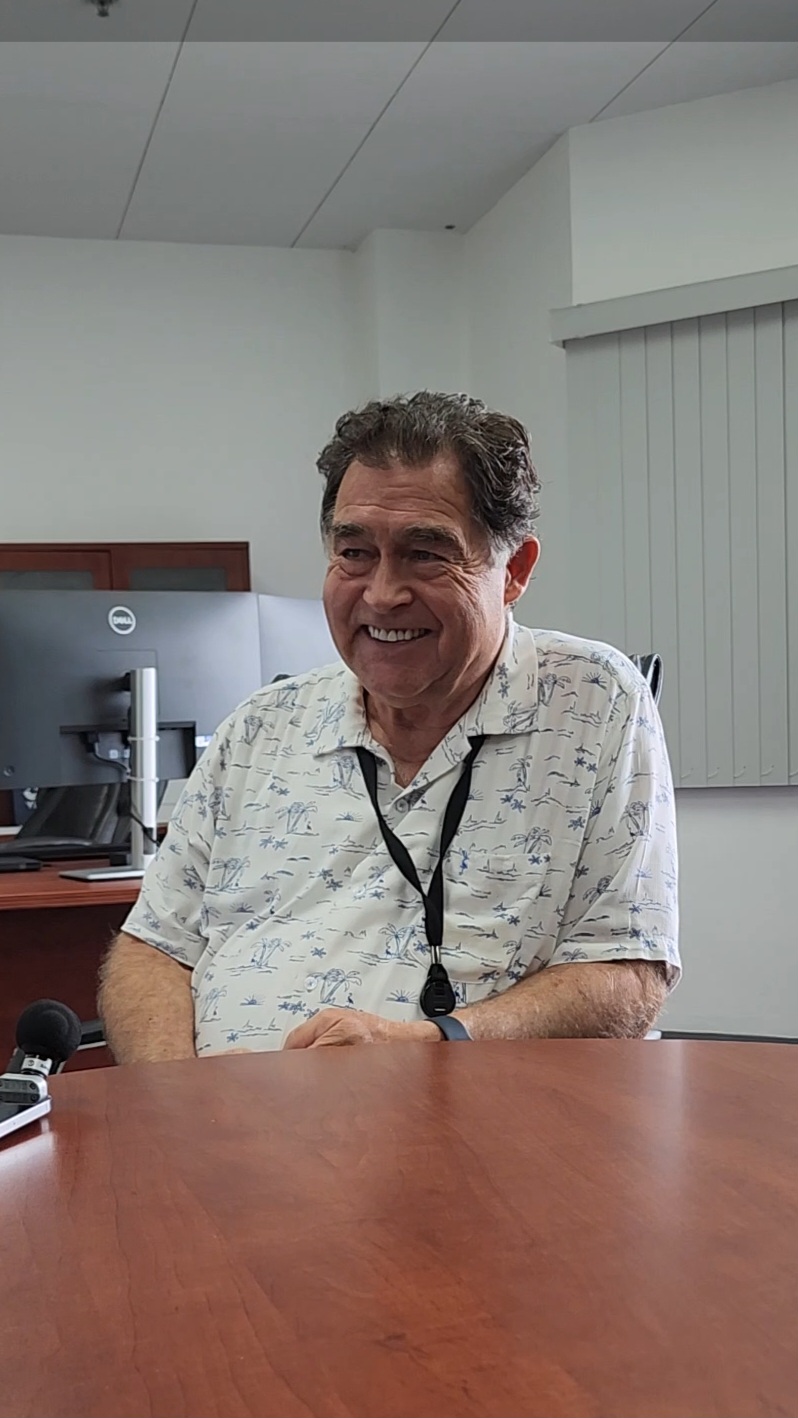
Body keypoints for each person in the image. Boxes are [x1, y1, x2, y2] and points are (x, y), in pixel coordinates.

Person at [99, 392, 679, 1061]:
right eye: (354, 553)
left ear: (513, 571)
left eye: (425, 555)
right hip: (229, 1116)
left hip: (474, 1107)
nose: (381, 594)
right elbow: (153, 948)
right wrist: (179, 1099)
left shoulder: (590, 700)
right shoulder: (260, 728)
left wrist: (432, 1047)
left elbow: (627, 969)